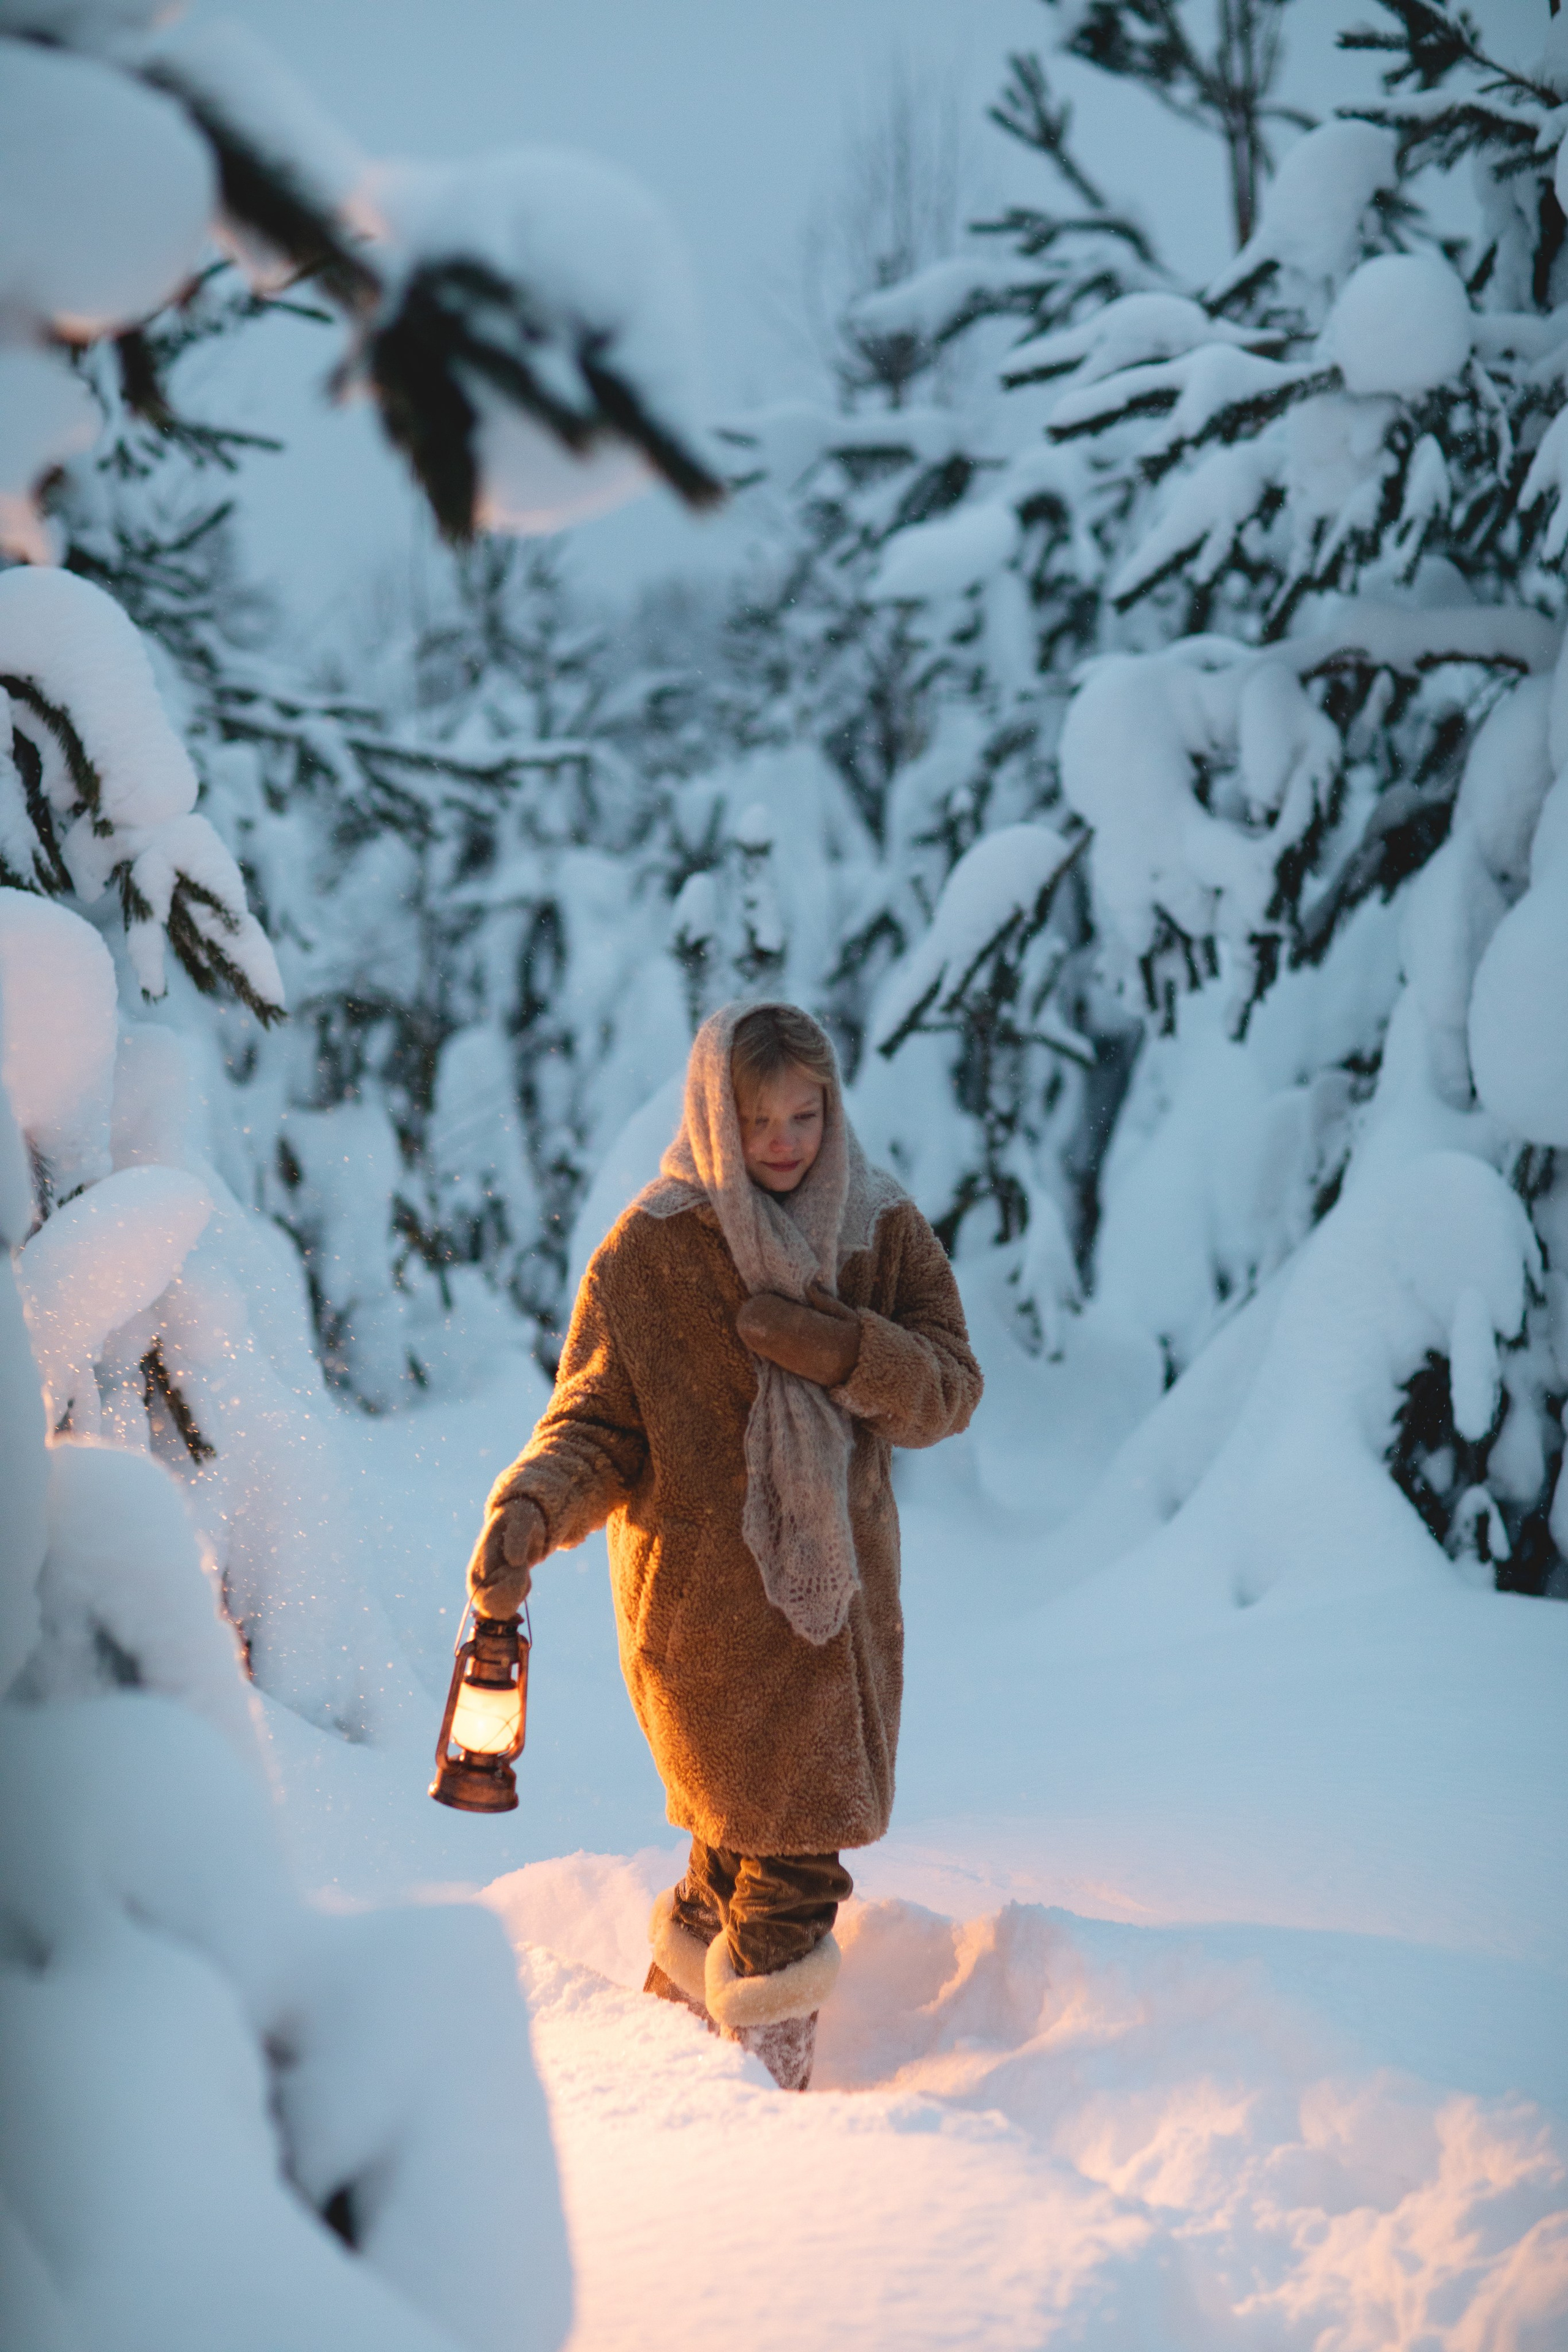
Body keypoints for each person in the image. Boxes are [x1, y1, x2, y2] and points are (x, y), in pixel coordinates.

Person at [464, 1001, 982, 2090]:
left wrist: (848, 1350)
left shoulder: (877, 1229)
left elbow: (948, 1391)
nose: (787, 1140)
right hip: (701, 1624)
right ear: (710, 1114)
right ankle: (749, 2111)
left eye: (807, 1112)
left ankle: (672, 2077)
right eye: (758, 1120)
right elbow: (597, 1424)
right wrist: (532, 1510)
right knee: (778, 1867)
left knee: (747, 1862)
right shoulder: (652, 1252)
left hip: (830, 1619)